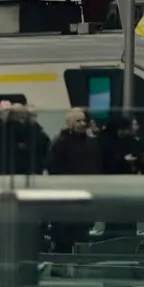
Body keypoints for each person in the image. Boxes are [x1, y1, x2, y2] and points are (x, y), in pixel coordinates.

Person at [45, 107, 102, 257]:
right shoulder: (61, 143)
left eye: (84, 120)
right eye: (78, 121)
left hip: (84, 194)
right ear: (70, 123)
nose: (82, 124)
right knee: (64, 236)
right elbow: (53, 167)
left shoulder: (90, 143)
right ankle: (61, 264)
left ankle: (78, 264)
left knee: (82, 234)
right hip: (66, 196)